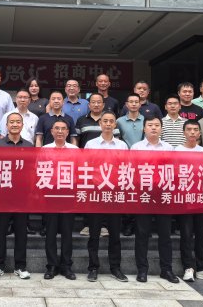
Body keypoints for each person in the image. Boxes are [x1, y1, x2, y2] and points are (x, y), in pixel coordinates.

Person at [131, 116, 179, 284]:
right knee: (142, 234)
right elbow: (132, 171)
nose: (153, 128)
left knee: (165, 235)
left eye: (157, 125)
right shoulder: (136, 148)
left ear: (161, 129)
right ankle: (142, 269)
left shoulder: (169, 148)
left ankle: (166, 269)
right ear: (144, 129)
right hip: (143, 195)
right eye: (150, 125)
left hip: (163, 196)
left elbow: (173, 171)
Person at [84, 111, 129, 283]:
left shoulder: (122, 145)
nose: (108, 124)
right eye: (105, 121)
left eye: (111, 121)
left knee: (115, 234)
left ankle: (115, 267)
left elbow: (125, 168)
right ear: (100, 124)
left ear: (115, 124)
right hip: (96, 192)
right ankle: (93, 267)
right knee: (94, 233)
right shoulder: (91, 144)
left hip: (114, 193)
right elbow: (86, 166)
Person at [0, 112, 32, 280]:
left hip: (22, 196)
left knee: (21, 233)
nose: (14, 124)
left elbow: (31, 171)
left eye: (17, 122)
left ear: (22, 125)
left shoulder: (29, 145)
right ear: (6, 125)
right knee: (0, 232)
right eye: (11, 122)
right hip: (2, 195)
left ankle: (20, 266)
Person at [174, 120, 203, 283]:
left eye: (195, 129)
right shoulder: (176, 151)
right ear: (184, 132)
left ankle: (202, 268)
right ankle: (188, 267)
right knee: (186, 235)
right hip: (184, 199)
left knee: (202, 235)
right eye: (189, 129)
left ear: (199, 133)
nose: (192, 132)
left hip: (201, 199)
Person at [43, 120, 78, 280]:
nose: (60, 131)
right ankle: (51, 265)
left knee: (67, 233)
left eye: (63, 129)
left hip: (68, 195)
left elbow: (79, 171)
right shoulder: (44, 150)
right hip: (50, 195)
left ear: (68, 132)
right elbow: (39, 171)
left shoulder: (75, 150)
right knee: (50, 232)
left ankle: (66, 266)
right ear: (51, 131)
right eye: (56, 128)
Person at [75, 93, 112, 237]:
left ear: (103, 105)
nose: (96, 105)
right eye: (93, 102)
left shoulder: (109, 120)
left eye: (99, 102)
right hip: (89, 164)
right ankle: (87, 224)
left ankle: (104, 226)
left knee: (105, 196)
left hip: (108, 166)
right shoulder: (81, 120)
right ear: (89, 105)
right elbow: (76, 141)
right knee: (89, 195)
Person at [117, 92, 145, 237]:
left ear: (140, 104)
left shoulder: (146, 120)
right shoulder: (119, 121)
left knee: (142, 193)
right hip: (125, 162)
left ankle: (140, 224)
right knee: (128, 193)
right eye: (131, 102)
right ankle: (127, 223)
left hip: (143, 162)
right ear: (126, 104)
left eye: (136, 102)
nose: (134, 104)